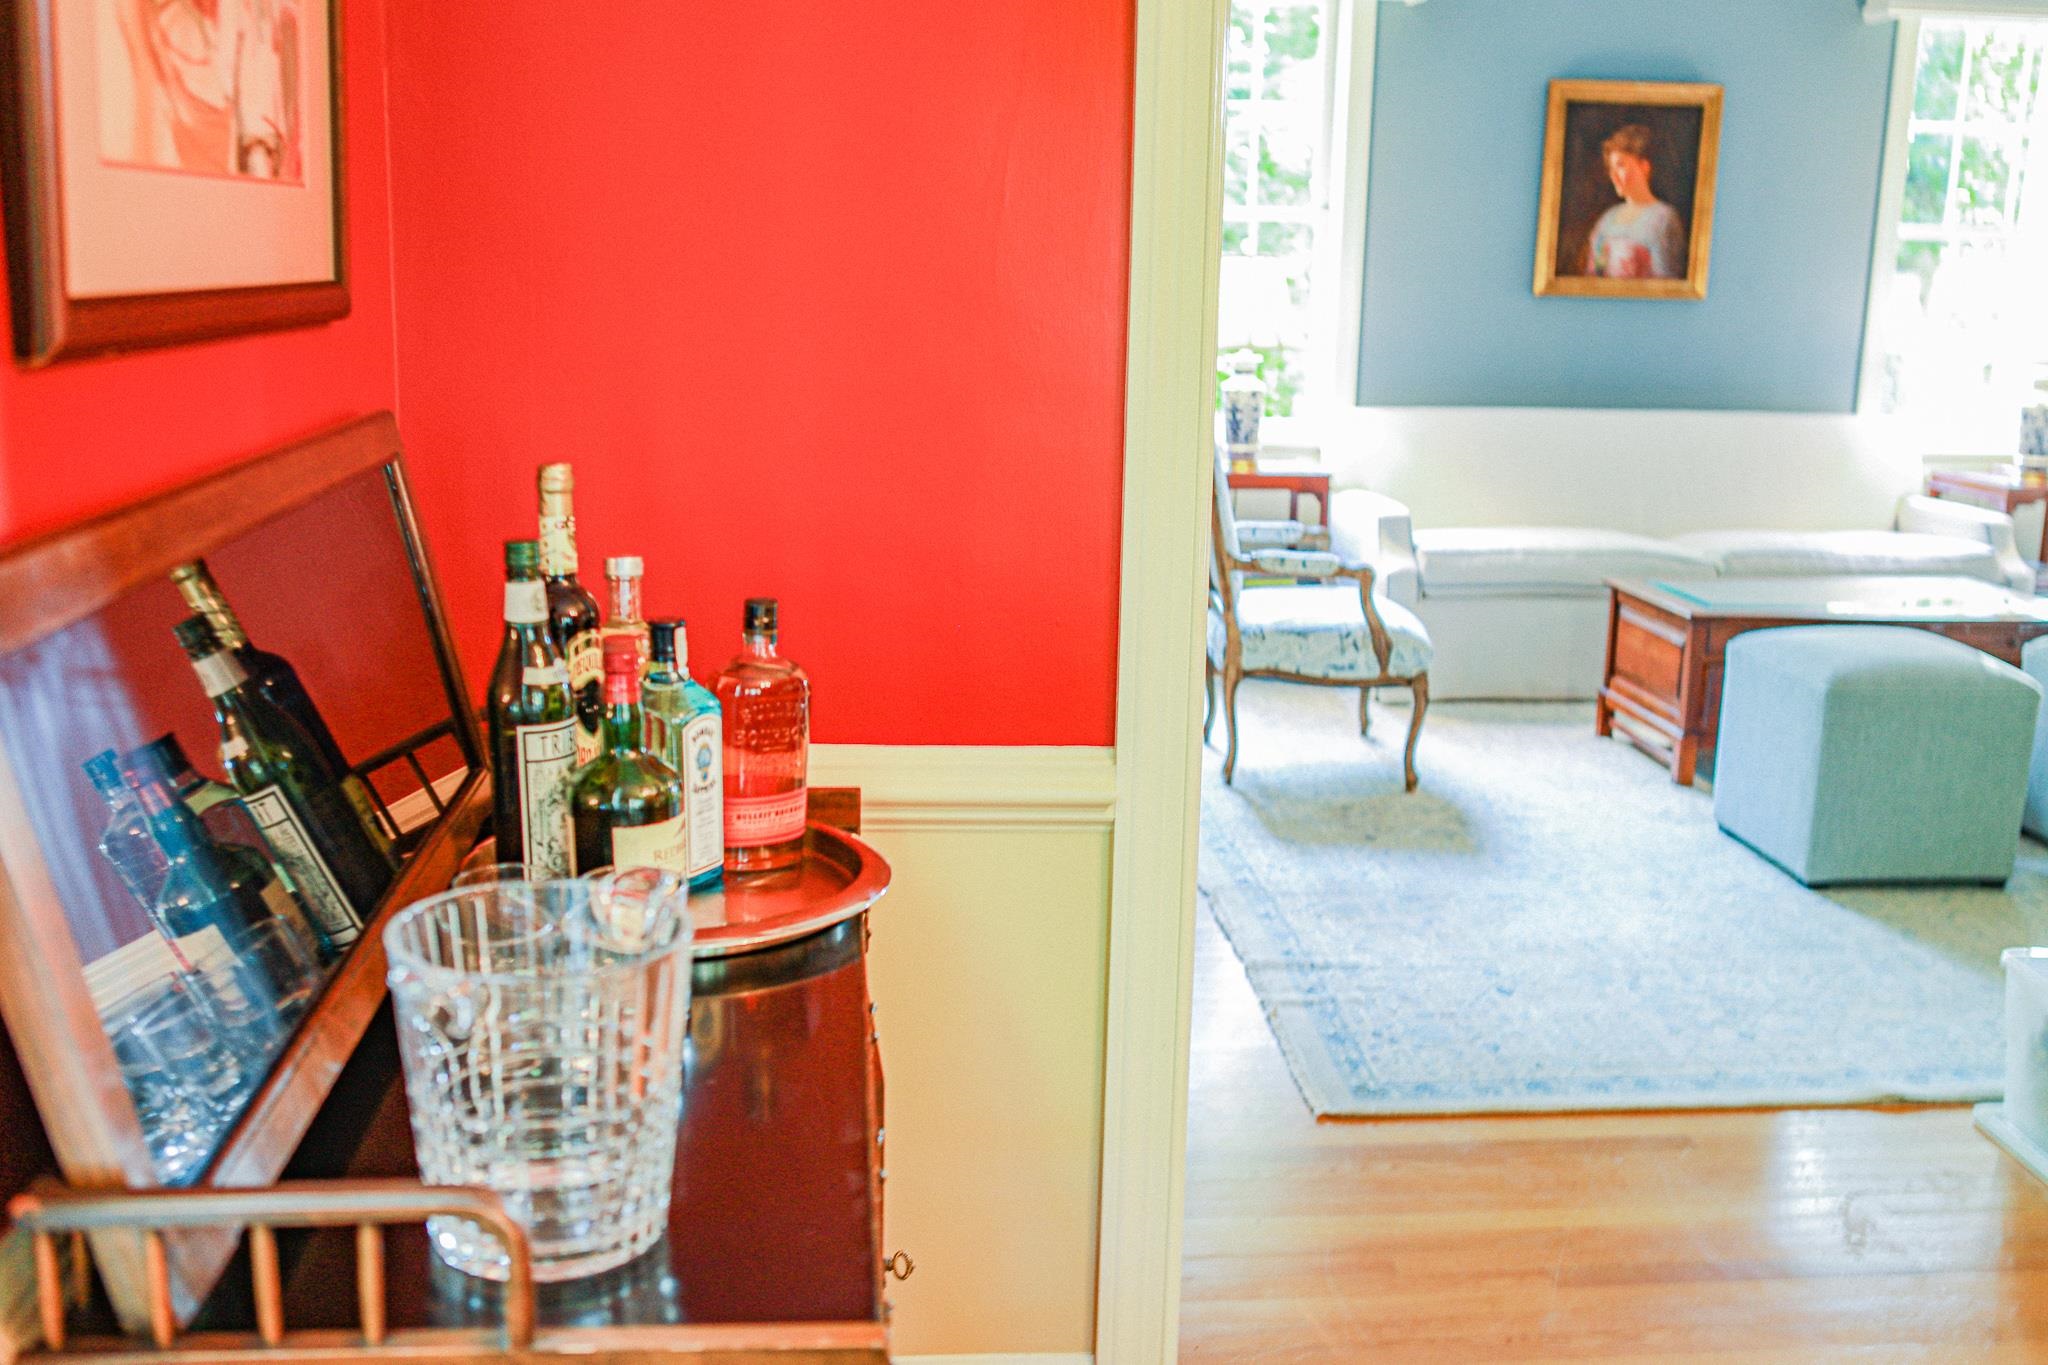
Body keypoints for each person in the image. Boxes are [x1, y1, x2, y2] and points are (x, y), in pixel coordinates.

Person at [1582, 124, 1686, 280]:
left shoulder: (1664, 218)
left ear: (1644, 167)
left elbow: (1666, 281)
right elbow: (1593, 273)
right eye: (1611, 169)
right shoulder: (1608, 218)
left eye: (1621, 165)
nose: (1614, 176)